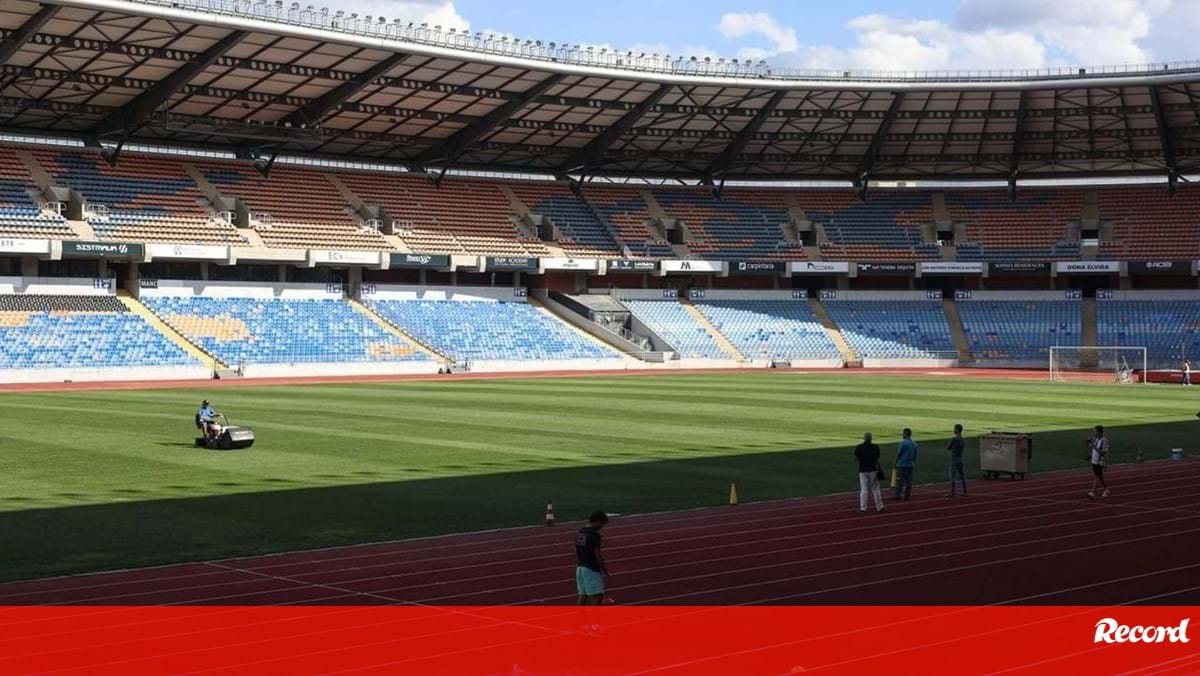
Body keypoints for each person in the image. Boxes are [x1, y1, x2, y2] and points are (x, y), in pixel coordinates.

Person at [575, 510, 610, 606]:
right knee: (598, 596)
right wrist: (604, 569)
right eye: (602, 523)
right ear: (598, 520)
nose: (601, 526)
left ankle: (580, 618)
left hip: (580, 567)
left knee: (582, 594)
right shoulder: (595, 535)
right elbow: (597, 554)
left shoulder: (580, 532)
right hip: (591, 568)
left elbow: (576, 550)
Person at [854, 432, 886, 513]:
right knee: (875, 489)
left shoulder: (859, 447)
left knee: (864, 489)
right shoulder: (875, 447)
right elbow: (877, 458)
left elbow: (856, 458)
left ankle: (863, 508)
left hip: (863, 470)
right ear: (871, 438)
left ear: (864, 438)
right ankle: (879, 507)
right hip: (873, 470)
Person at [1087, 425, 1111, 499]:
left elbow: (1103, 453)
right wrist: (1090, 455)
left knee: (1096, 477)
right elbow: (1094, 449)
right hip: (1094, 461)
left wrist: (1093, 446)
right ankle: (1106, 490)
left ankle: (1093, 492)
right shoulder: (1096, 439)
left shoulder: (1104, 441)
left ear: (1100, 432)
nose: (1094, 433)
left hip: (1099, 461)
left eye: (1095, 431)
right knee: (1100, 477)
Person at [894, 428, 918, 501]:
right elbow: (915, 455)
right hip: (910, 464)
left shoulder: (903, 443)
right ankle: (907, 496)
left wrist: (895, 462)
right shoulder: (914, 444)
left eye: (903, 433)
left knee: (899, 481)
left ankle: (898, 495)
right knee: (909, 481)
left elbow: (899, 454)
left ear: (905, 434)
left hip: (902, 464)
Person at [947, 424, 968, 497]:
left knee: (952, 476)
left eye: (954, 429)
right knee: (962, 476)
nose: (953, 430)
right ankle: (965, 491)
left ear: (957, 430)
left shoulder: (954, 439)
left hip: (954, 459)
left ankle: (952, 493)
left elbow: (948, 447)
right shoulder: (963, 439)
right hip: (960, 458)